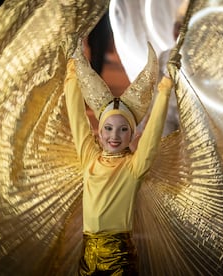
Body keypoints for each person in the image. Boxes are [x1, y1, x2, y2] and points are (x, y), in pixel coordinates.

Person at [64, 42, 180, 275]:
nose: (114, 136)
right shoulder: (90, 159)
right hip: (87, 256)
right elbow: (77, 117)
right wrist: (72, 73)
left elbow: (153, 134)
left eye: (122, 130)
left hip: (119, 257)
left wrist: (165, 88)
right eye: (107, 128)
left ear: (133, 135)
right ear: (99, 131)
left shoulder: (133, 167)